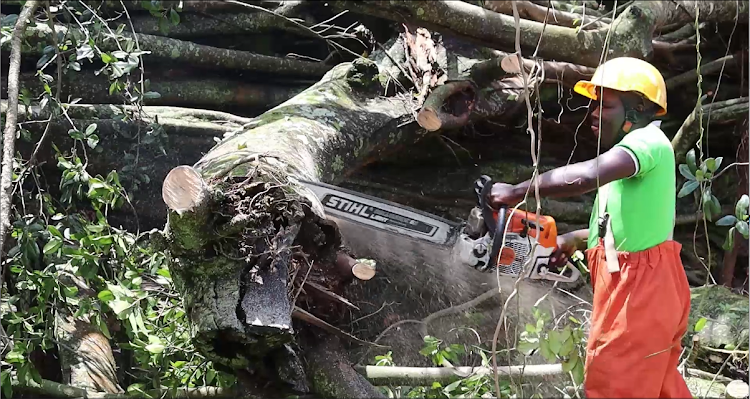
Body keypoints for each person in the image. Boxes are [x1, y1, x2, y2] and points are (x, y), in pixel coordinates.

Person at [481, 57, 693, 398]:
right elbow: (631, 224)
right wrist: (577, 240)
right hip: (643, 288)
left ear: (637, 108)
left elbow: (586, 176)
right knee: (660, 388)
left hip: (639, 295)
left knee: (615, 386)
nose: (593, 113)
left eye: (605, 105)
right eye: (594, 104)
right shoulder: (628, 160)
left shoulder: (647, 142)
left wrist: (516, 191)